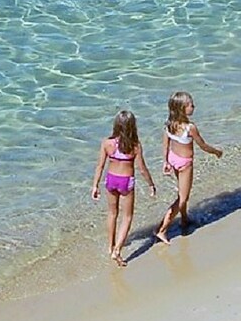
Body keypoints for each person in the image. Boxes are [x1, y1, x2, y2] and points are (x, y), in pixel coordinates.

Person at [155, 91, 224, 244]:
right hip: (185, 163)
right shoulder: (190, 127)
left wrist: (165, 161)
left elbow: (165, 143)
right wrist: (216, 152)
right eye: (191, 105)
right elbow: (203, 145)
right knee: (183, 197)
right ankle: (162, 229)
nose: (194, 107)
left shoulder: (169, 124)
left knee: (182, 191)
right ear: (182, 109)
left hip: (173, 158)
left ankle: (184, 219)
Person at [92, 109, 156, 267]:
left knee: (112, 213)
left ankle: (110, 246)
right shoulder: (135, 146)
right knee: (127, 217)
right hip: (126, 181)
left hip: (110, 180)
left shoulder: (107, 143)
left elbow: (100, 166)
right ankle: (117, 250)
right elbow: (142, 168)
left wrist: (95, 185)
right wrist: (151, 184)